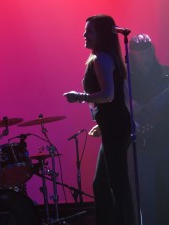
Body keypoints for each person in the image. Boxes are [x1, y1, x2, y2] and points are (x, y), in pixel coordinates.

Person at [63, 15, 135, 225]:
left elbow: (108, 95)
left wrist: (78, 97)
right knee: (102, 184)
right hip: (113, 126)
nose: (85, 35)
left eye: (90, 31)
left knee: (116, 184)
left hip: (115, 127)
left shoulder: (101, 58)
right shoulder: (106, 57)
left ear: (103, 34)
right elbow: (122, 95)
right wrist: (103, 122)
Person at [129, 34, 169, 225]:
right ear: (132, 55)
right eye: (139, 54)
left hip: (165, 140)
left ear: (152, 52)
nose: (144, 57)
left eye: (147, 52)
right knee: (147, 196)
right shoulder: (127, 80)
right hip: (143, 145)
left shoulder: (165, 74)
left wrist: (155, 117)